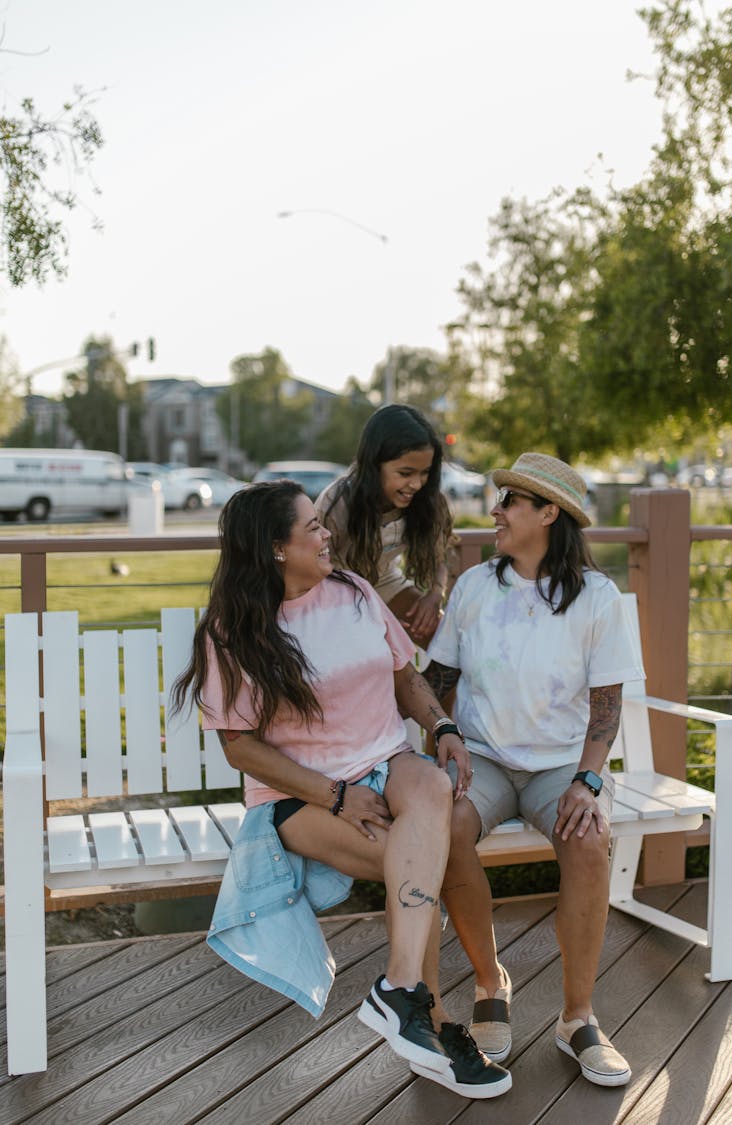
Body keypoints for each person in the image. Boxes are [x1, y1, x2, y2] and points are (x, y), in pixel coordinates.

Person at [172, 478, 512, 1100]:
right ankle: (431, 1025)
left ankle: (400, 991)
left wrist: (441, 726)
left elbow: (403, 675)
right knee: (423, 864)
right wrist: (333, 794)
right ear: (276, 548)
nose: (328, 533)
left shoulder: (354, 592)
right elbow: (239, 747)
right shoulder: (233, 631)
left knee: (432, 790)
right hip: (296, 798)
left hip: (388, 760)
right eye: (312, 528)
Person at [423, 452, 644, 1088]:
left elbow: (607, 702)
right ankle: (492, 985)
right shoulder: (473, 587)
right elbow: (440, 679)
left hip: (561, 768)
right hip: (484, 759)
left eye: (509, 503)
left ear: (549, 514)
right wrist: (440, 738)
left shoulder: (596, 598)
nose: (494, 511)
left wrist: (589, 780)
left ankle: (578, 1020)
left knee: (588, 839)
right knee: (449, 827)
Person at [315, 403, 458, 646]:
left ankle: (434, 685)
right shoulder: (336, 504)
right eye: (405, 473)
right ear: (374, 465)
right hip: (334, 595)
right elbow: (314, 572)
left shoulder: (427, 501)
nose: (416, 484)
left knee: (446, 643)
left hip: (384, 581)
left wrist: (435, 595)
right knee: (378, 651)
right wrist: (373, 616)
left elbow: (440, 557)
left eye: (424, 472)